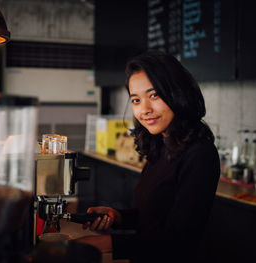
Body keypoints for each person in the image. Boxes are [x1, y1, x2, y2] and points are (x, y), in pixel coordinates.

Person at [75, 50, 220, 263]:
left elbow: (179, 241)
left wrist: (106, 243)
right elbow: (154, 217)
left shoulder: (200, 155)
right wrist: (118, 216)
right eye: (135, 100)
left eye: (154, 95)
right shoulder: (160, 145)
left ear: (178, 93)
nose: (145, 109)